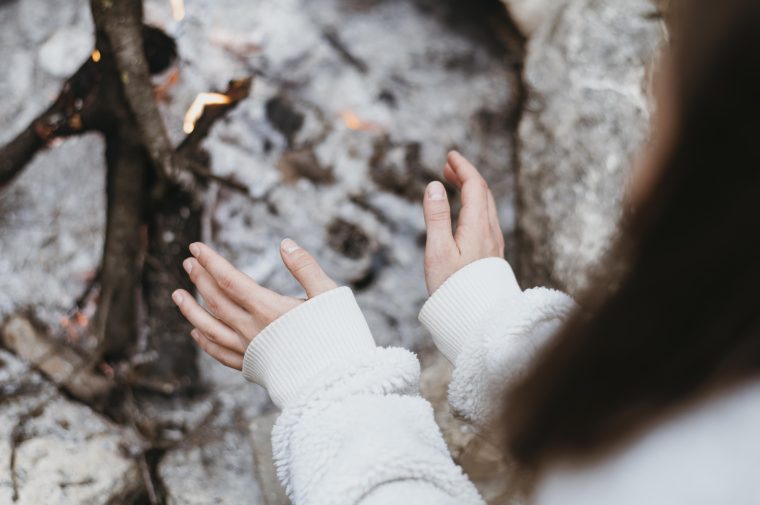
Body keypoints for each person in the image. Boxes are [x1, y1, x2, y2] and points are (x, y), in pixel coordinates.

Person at [170, 0, 760, 502]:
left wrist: (330, 385)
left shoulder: (690, 470)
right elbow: (645, 405)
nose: (633, 170)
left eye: (660, 120)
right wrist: (491, 320)